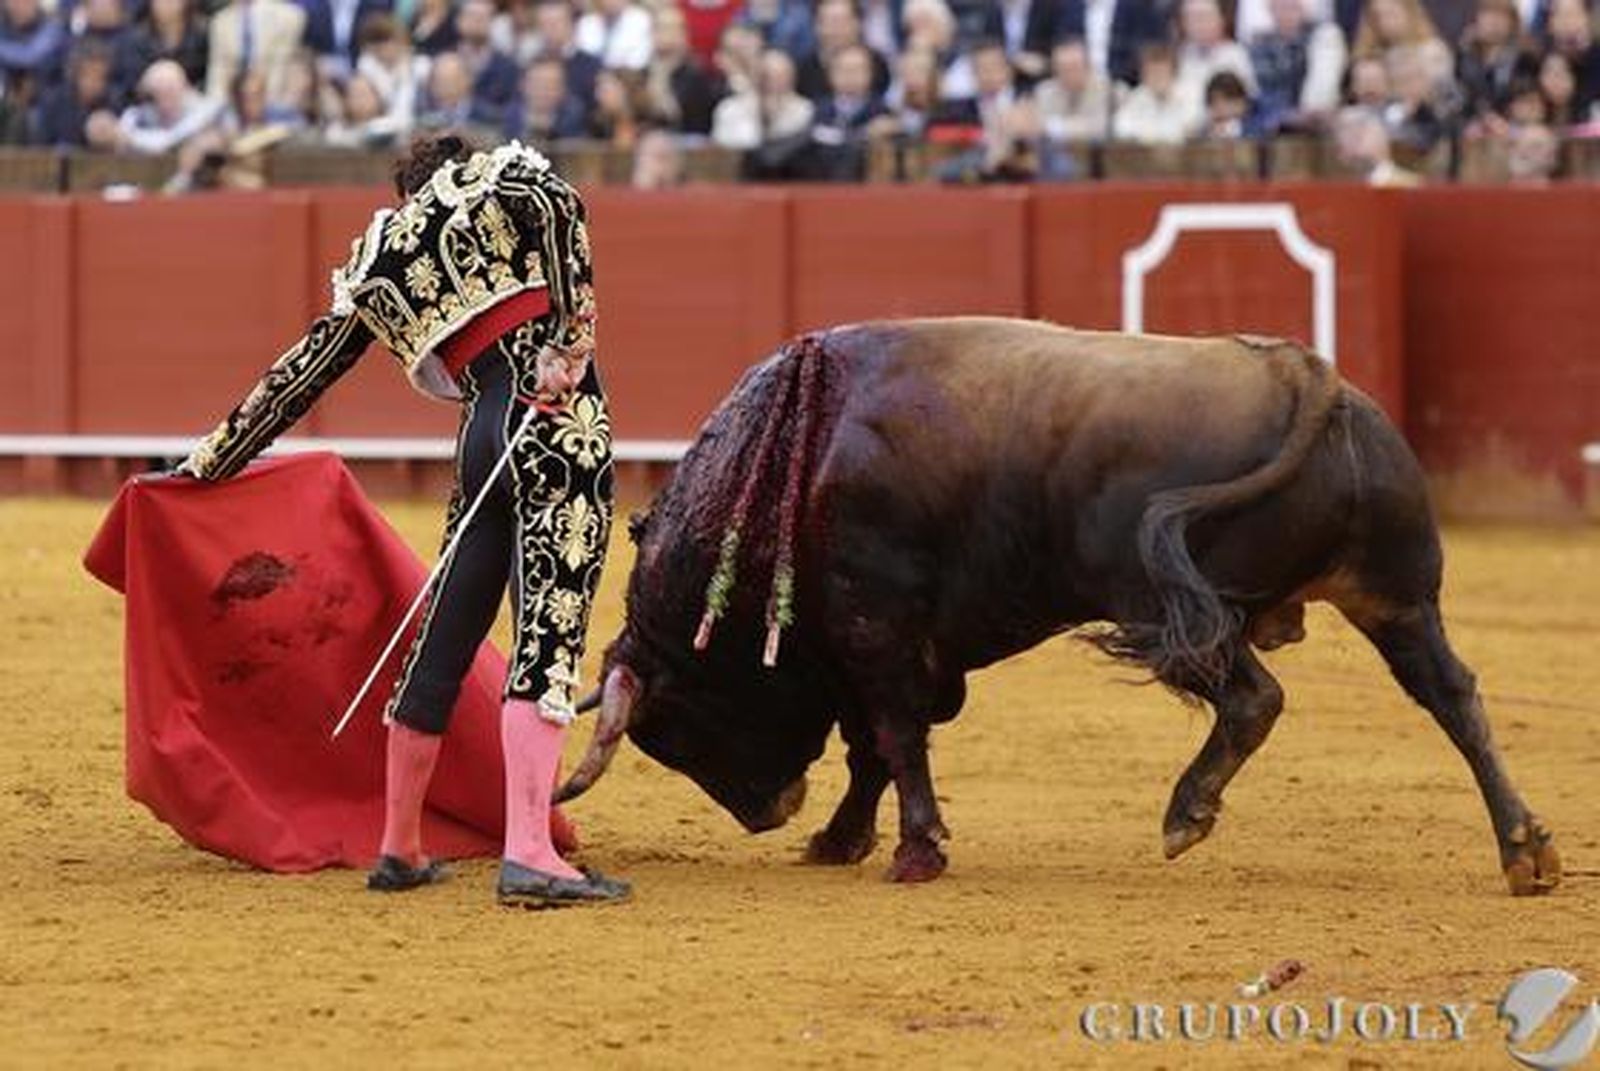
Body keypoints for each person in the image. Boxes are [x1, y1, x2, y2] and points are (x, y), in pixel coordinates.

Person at [174, 133, 628, 908]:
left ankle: (400, 844)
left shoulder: (381, 257)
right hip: (550, 423)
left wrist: (207, 461)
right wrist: (568, 338)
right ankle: (529, 851)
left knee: (444, 635)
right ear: (457, 165)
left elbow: (299, 375)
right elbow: (560, 204)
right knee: (546, 630)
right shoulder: (492, 180)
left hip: (481, 435)